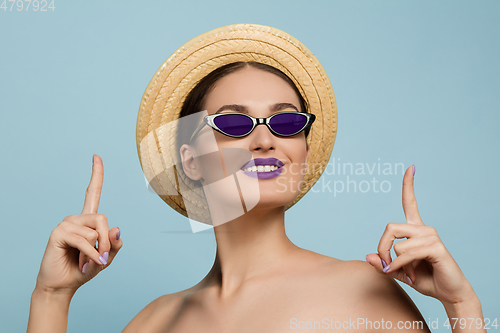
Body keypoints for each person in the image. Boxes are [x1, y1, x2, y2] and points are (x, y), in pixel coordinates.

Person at [27, 24, 487, 333]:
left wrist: (462, 309)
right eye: (233, 123)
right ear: (191, 160)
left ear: (302, 150)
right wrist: (51, 297)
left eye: (285, 123)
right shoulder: (153, 322)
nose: (265, 140)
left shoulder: (360, 293)